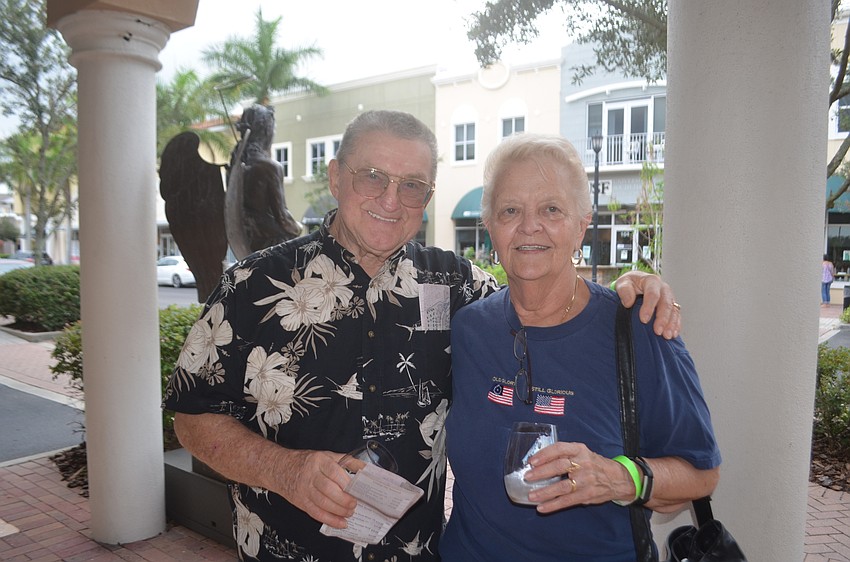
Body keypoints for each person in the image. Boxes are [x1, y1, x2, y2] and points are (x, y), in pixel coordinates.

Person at [162, 111, 683, 562]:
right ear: (336, 177)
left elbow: (541, 299)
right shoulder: (252, 285)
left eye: (412, 185)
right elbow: (191, 418)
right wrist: (285, 471)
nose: (391, 200)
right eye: (372, 177)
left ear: (428, 195)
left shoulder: (456, 285)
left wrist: (630, 289)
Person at [441, 133, 721, 561]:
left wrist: (618, 478)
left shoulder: (637, 329)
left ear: (581, 226)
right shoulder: (467, 327)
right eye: (510, 210)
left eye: (551, 209)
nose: (529, 226)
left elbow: (701, 474)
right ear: (490, 227)